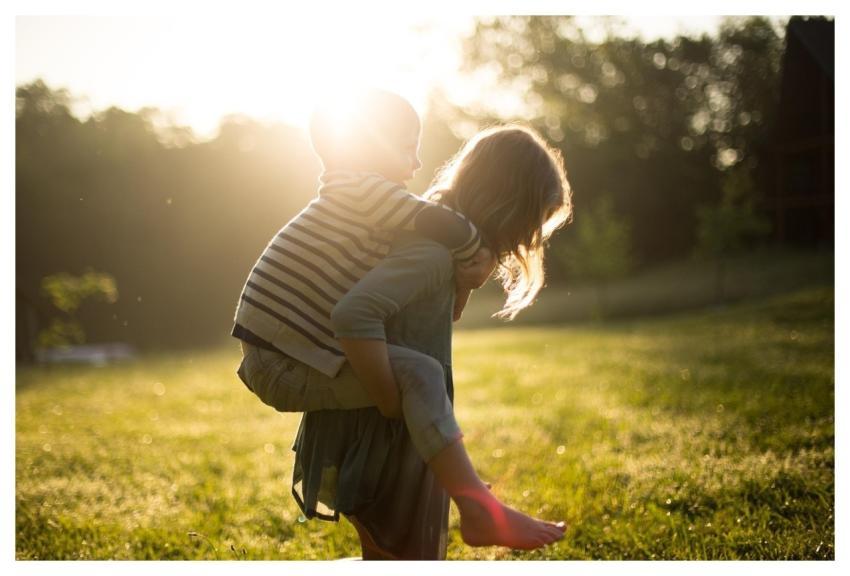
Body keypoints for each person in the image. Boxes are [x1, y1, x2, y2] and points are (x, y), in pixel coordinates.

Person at [291, 124, 573, 558]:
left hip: (400, 423)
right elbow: (354, 314)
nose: (529, 238)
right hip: (383, 427)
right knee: (407, 555)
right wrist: (389, 401)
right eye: (532, 220)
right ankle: (480, 511)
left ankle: (476, 507)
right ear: (505, 206)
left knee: (391, 554)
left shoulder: (442, 250)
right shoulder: (431, 253)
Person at [233, 89, 495, 462]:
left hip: (280, 355)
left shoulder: (354, 196)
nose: (418, 162)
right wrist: (478, 252)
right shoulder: (363, 190)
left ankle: (447, 480)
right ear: (370, 147)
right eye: (407, 148)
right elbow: (440, 222)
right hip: (283, 362)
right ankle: (459, 485)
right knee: (421, 375)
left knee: (414, 373)